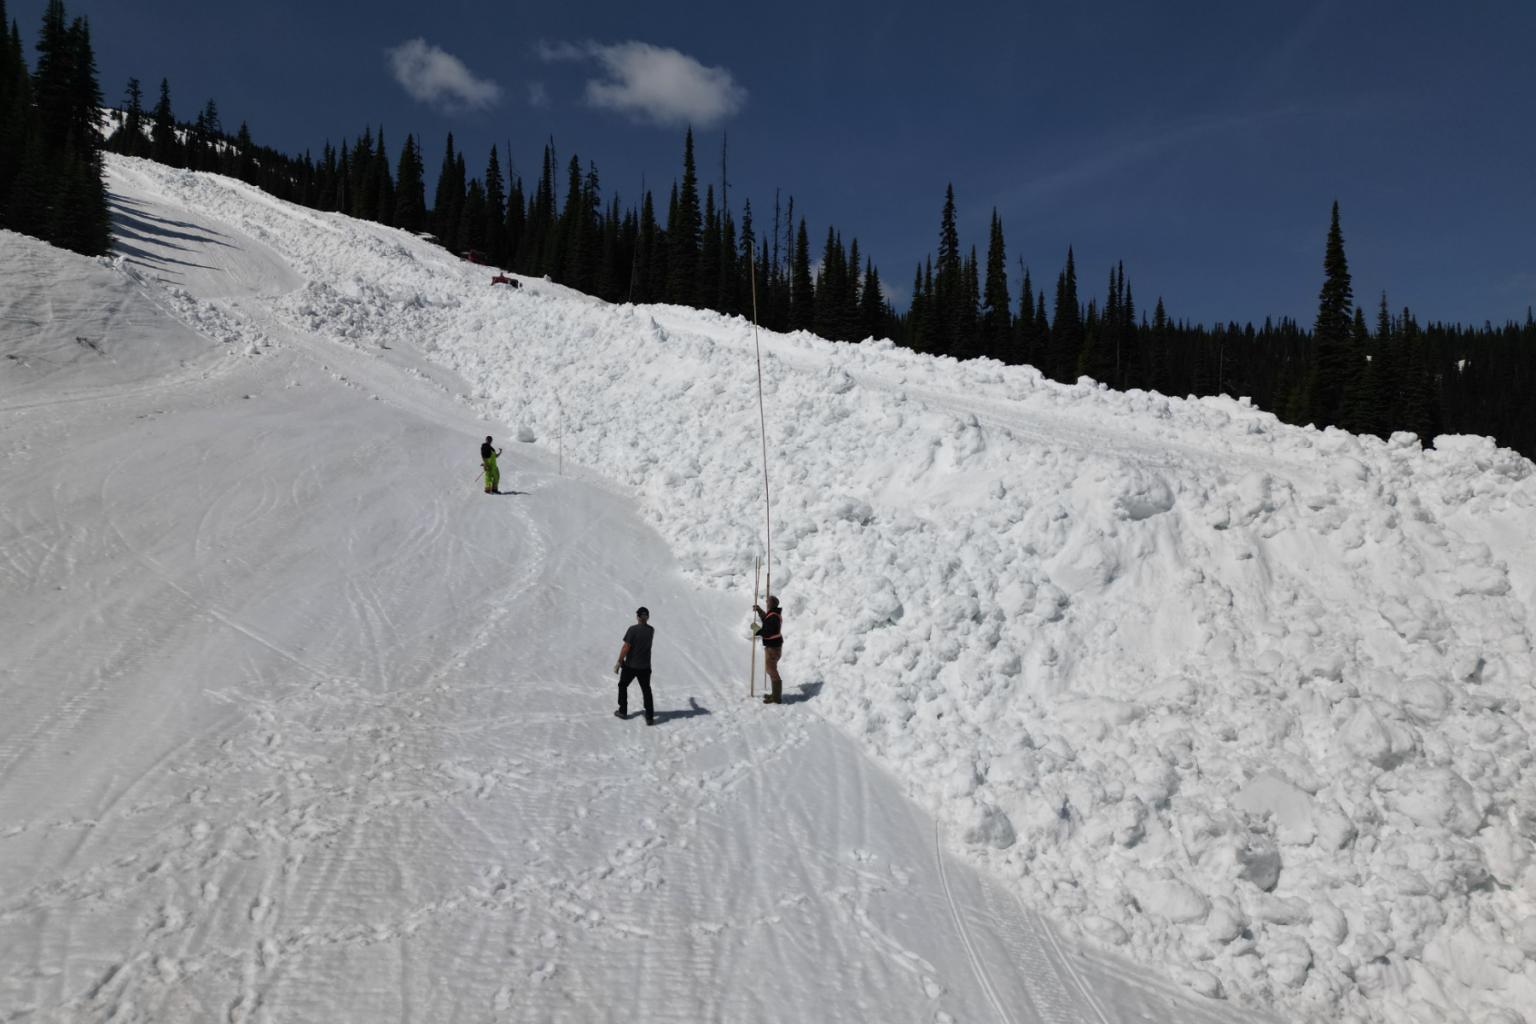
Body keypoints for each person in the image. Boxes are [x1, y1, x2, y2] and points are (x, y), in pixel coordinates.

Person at [614, 607, 656, 725]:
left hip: (631, 666)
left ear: (637, 617)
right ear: (647, 617)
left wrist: (619, 661)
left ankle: (623, 711)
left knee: (623, 685)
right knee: (646, 690)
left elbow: (626, 647)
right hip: (645, 666)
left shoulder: (632, 630)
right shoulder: (651, 630)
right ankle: (649, 717)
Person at [753, 595, 784, 704]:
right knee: (770, 669)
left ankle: (776, 697)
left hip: (773, 648)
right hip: (772, 646)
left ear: (772, 603)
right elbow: (766, 620)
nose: (766, 602)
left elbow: (769, 631)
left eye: (768, 601)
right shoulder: (773, 614)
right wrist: (759, 610)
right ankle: (775, 694)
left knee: (771, 670)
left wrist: (757, 630)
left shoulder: (774, 616)